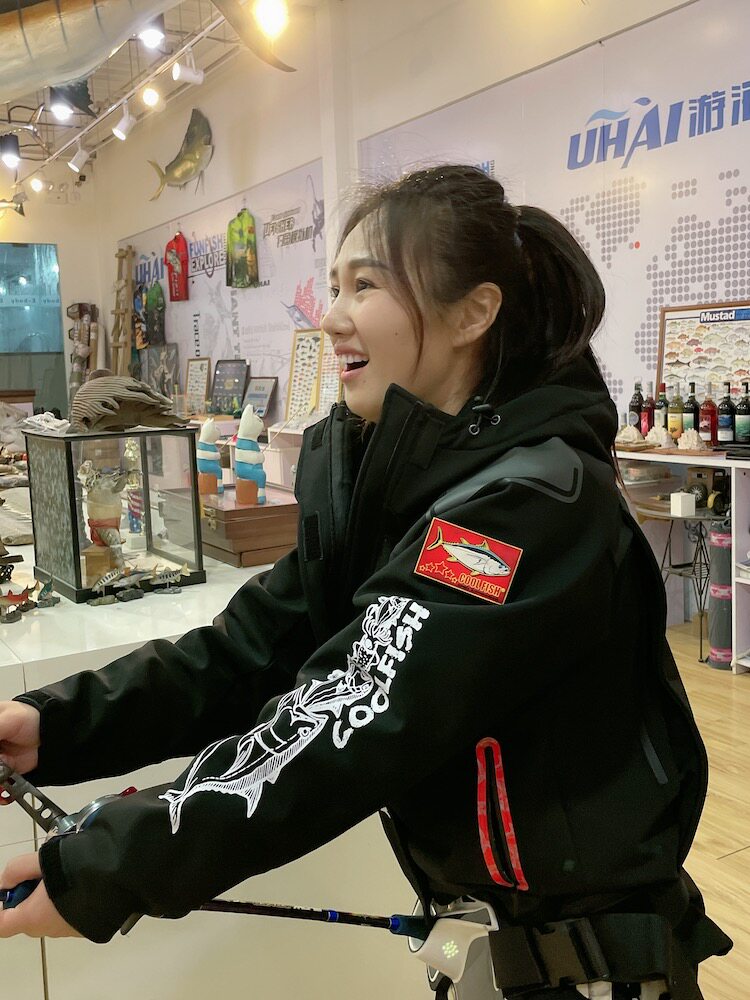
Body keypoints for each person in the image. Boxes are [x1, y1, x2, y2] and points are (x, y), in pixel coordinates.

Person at [0, 165, 731, 998]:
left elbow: (349, 720)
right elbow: (249, 650)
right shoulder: (397, 491)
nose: (331, 315)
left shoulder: (525, 509)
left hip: (594, 968)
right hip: (488, 950)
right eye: (335, 284)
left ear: (473, 313)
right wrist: (55, 725)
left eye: (366, 285)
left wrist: (104, 865)